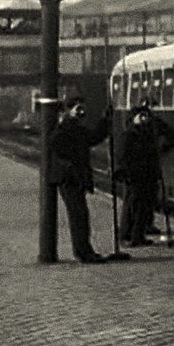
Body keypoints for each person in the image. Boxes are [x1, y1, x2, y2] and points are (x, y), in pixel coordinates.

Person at [48, 96, 111, 264]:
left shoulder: (75, 128)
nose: (82, 112)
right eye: (78, 109)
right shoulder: (66, 128)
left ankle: (84, 250)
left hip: (75, 178)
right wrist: (70, 165)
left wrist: (105, 121)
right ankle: (83, 252)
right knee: (78, 217)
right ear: (69, 110)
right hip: (69, 179)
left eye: (83, 109)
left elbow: (93, 138)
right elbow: (56, 144)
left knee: (81, 216)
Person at [116, 104, 174, 246]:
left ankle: (138, 235)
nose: (144, 119)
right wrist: (126, 172)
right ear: (133, 118)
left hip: (149, 173)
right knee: (132, 205)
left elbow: (171, 134)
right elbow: (122, 156)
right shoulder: (128, 135)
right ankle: (126, 235)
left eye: (146, 116)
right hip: (135, 175)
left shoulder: (150, 133)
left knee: (145, 206)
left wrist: (163, 148)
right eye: (141, 116)